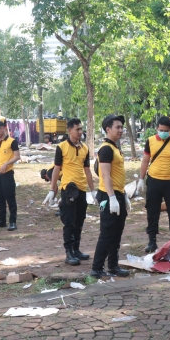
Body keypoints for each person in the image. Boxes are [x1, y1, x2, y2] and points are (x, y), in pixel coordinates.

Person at [43, 118, 96, 266]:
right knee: (69, 222)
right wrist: (52, 190)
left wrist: (93, 191)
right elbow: (56, 169)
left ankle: (76, 249)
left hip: (81, 189)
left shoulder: (85, 148)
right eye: (77, 129)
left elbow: (88, 171)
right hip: (68, 189)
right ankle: (69, 252)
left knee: (80, 220)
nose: (80, 132)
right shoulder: (61, 147)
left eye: (81, 129)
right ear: (69, 130)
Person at [136, 116, 170, 253]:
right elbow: (145, 161)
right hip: (154, 181)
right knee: (152, 211)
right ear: (157, 128)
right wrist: (141, 179)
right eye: (160, 130)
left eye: (166, 130)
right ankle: (152, 241)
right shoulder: (150, 141)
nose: (163, 132)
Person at [90, 115, 131, 278]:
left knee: (117, 232)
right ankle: (97, 268)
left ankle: (113, 265)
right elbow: (105, 175)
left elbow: (117, 175)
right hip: (108, 196)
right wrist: (112, 197)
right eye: (117, 127)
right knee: (107, 233)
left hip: (118, 194)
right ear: (108, 129)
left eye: (122, 127)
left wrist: (124, 195)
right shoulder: (106, 149)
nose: (121, 130)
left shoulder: (115, 148)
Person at [0, 120, 20, 230]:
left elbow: (17, 156)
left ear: (2, 128)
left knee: (10, 198)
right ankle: (2, 220)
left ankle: (13, 221)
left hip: (7, 174)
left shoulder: (12, 142)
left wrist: (6, 164)